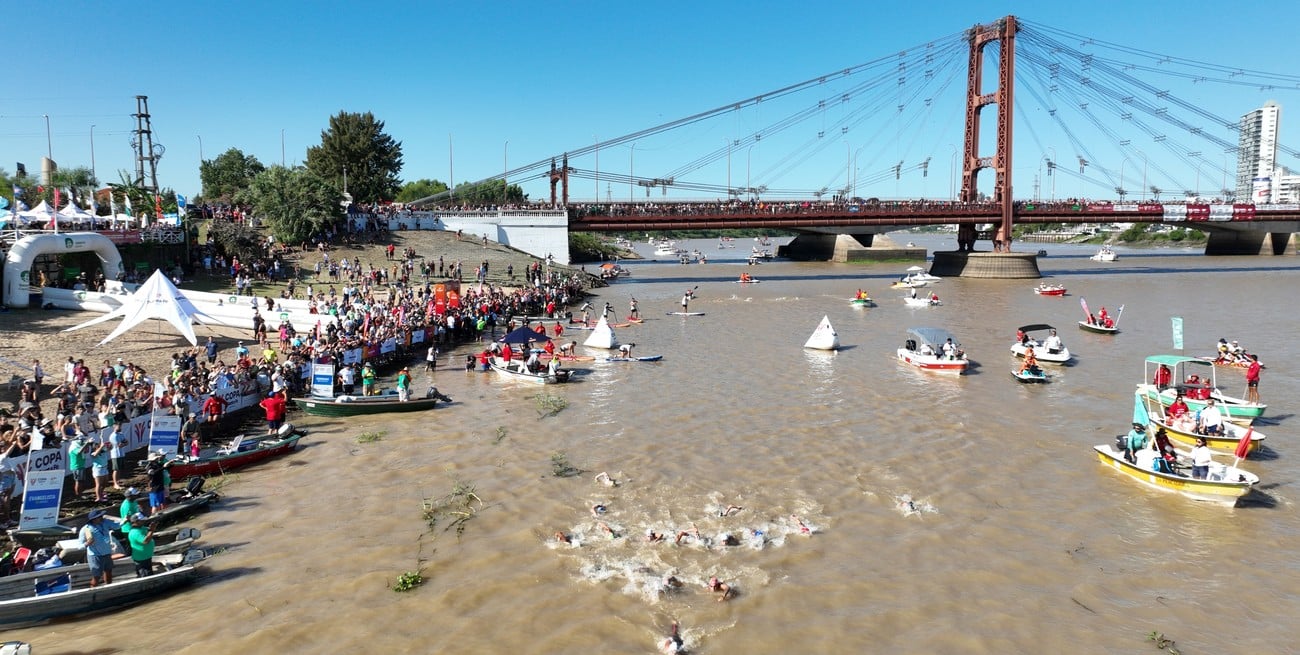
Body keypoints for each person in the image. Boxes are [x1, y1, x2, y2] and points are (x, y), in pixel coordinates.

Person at [79, 509, 118, 587]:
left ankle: (108, 588)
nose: (102, 517)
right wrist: (87, 543)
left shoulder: (105, 523)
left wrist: (125, 520)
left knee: (109, 572)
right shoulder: (86, 529)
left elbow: (117, 526)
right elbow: (79, 546)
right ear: (94, 519)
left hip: (107, 553)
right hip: (95, 555)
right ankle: (93, 590)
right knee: (96, 576)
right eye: (100, 517)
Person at [126, 513, 157, 578]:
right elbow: (145, 541)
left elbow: (148, 530)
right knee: (146, 576)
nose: (144, 521)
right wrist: (151, 530)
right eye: (142, 520)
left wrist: (151, 527)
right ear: (136, 522)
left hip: (146, 557)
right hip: (141, 559)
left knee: (148, 574)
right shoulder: (134, 532)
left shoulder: (141, 528)